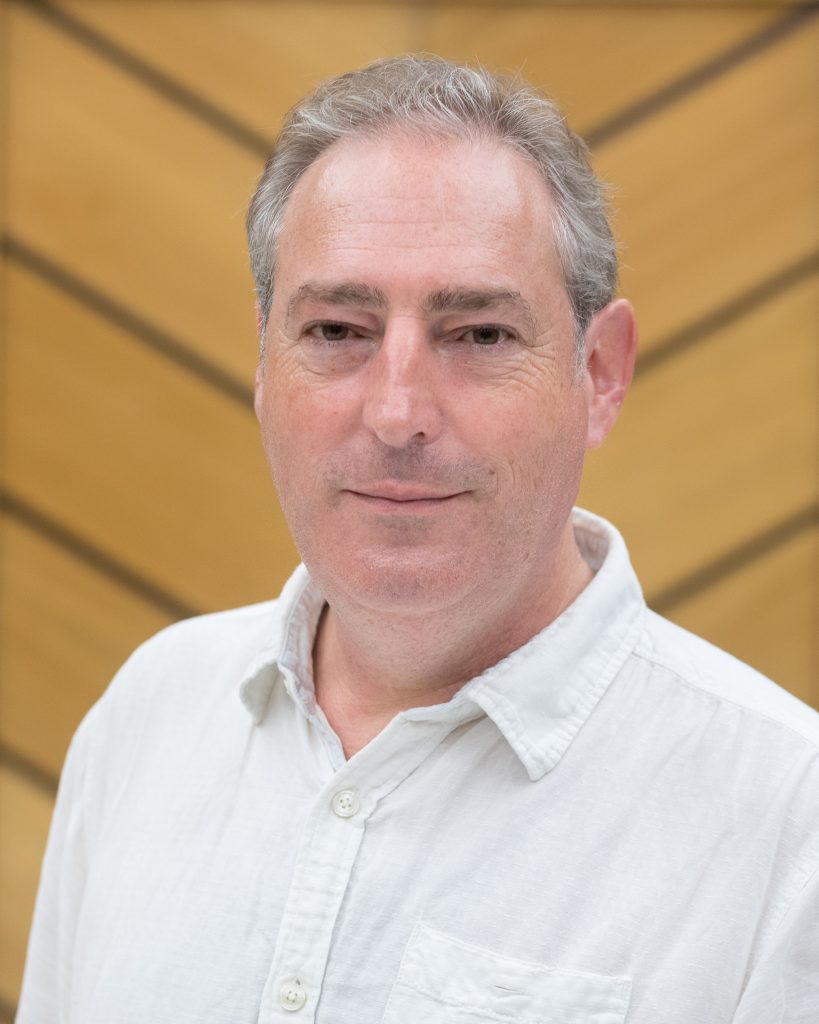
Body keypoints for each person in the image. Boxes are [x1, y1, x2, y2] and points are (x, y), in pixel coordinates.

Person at [18, 56, 818, 1024]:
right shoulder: (153, 710)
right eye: (337, 330)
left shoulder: (786, 816)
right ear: (264, 363)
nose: (398, 413)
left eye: (478, 334)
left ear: (599, 373)